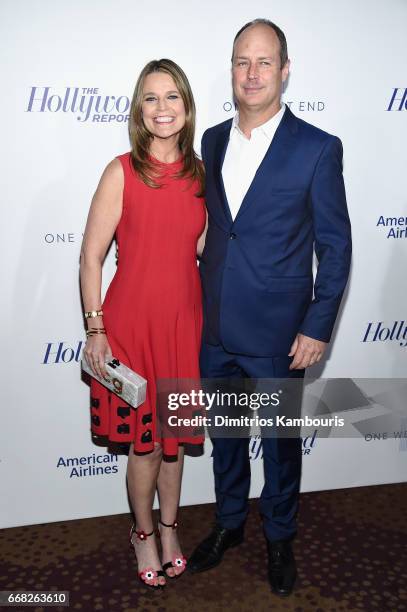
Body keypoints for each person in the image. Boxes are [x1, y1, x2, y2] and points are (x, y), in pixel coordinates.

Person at [188, 19, 352, 596]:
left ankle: (280, 537)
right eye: (241, 62)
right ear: (231, 70)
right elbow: (216, 230)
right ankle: (229, 524)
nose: (252, 73)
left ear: (284, 70)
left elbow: (335, 247)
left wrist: (317, 325)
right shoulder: (209, 140)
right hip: (216, 327)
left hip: (282, 334)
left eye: (264, 62)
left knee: (280, 446)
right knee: (227, 437)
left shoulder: (316, 147)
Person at [80, 59, 206, 589]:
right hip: (132, 328)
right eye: (151, 98)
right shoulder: (120, 171)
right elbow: (90, 259)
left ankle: (171, 529)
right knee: (147, 445)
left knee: (175, 440)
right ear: (139, 108)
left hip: (184, 326)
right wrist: (95, 329)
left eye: (172, 96)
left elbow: (201, 250)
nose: (162, 108)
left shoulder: (202, 175)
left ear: (186, 105)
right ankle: (143, 533)